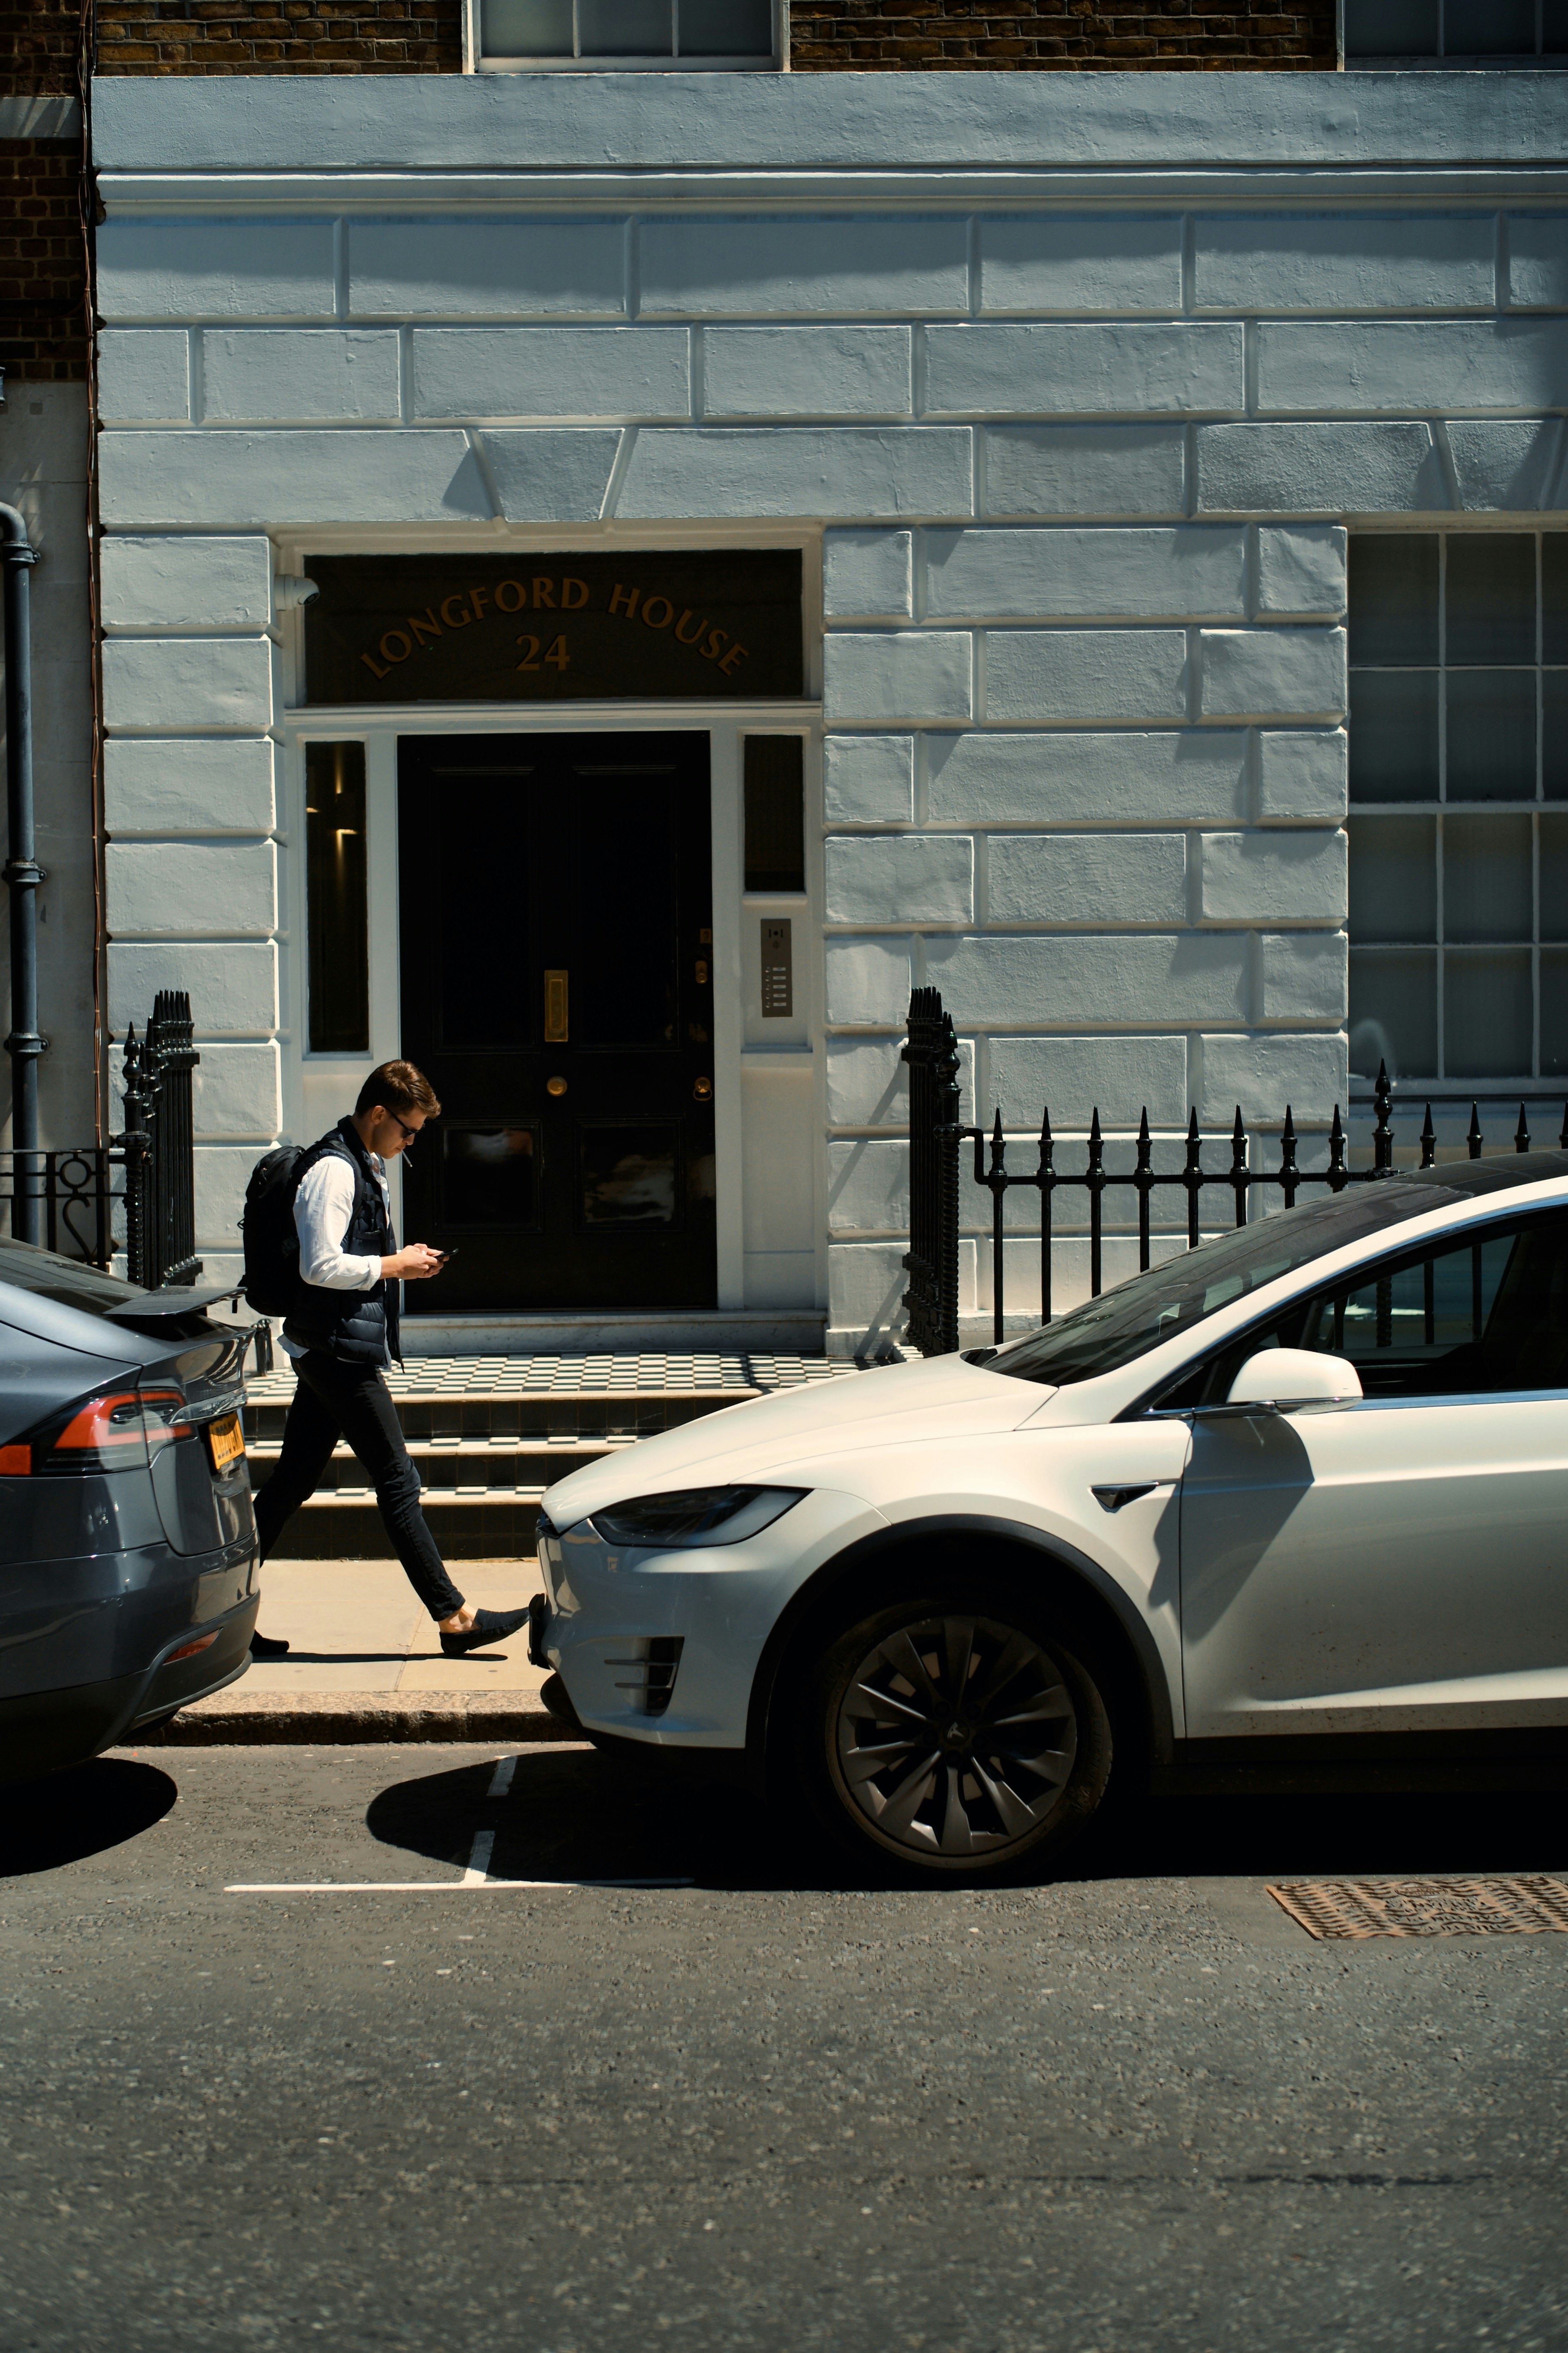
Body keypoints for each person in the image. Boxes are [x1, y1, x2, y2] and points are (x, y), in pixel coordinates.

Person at [249, 1061, 527, 1661]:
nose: (411, 1142)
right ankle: (455, 1617)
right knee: (398, 1481)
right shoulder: (333, 1170)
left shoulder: (364, 1161)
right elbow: (319, 1266)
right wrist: (395, 1264)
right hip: (335, 1351)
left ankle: (217, 1611)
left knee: (290, 1484)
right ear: (378, 1115)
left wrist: (402, 1258)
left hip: (333, 1345)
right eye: (408, 1130)